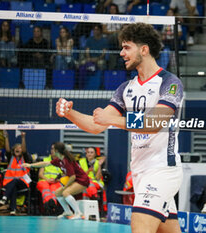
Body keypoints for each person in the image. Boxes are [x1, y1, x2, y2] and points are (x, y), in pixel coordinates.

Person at [55, 23, 184, 233]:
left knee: (140, 225)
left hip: (162, 170)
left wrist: (114, 120)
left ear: (144, 49)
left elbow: (155, 123)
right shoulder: (126, 88)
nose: (121, 53)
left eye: (126, 47)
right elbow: (96, 126)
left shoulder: (169, 82)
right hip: (140, 172)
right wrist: (70, 112)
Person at [23, 142, 90, 220]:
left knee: (65, 192)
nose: (52, 150)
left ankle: (79, 213)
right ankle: (68, 212)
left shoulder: (66, 161)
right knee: (57, 193)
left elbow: (72, 177)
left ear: (57, 151)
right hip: (76, 180)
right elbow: (45, 163)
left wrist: (65, 187)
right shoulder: (59, 160)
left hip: (82, 180)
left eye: (53, 149)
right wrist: (30, 165)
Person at [0, 131, 32, 215]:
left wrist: (23, 138)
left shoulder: (26, 158)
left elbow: (24, 151)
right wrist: (6, 137)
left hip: (23, 183)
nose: (18, 149)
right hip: (9, 183)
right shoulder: (11, 157)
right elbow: (7, 149)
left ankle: (5, 197)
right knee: (13, 187)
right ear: (13, 150)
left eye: (20, 147)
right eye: (16, 148)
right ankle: (13, 209)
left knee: (16, 180)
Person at [78, 24, 108, 89]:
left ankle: (100, 84)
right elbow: (87, 50)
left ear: (100, 31)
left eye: (97, 30)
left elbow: (104, 53)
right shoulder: (89, 40)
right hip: (90, 59)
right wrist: (89, 58)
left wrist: (97, 59)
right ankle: (81, 85)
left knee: (101, 63)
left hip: (99, 59)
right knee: (81, 63)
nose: (95, 31)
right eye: (94, 30)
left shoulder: (104, 40)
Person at [36, 143, 63, 215]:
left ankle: (49, 205)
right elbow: (40, 174)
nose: (52, 150)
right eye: (51, 148)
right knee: (45, 187)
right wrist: (47, 179)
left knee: (54, 189)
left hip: (56, 182)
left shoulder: (61, 162)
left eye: (54, 149)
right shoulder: (45, 160)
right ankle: (51, 205)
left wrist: (58, 180)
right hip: (44, 181)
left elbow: (65, 176)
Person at [79, 147, 107, 212]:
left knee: (89, 184)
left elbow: (98, 178)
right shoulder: (81, 162)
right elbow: (80, 176)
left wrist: (99, 165)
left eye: (92, 152)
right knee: (86, 187)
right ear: (86, 154)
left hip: (96, 183)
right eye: (88, 152)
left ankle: (94, 197)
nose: (89, 154)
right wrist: (88, 171)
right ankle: (94, 197)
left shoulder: (98, 163)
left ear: (95, 154)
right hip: (85, 182)